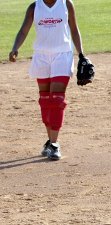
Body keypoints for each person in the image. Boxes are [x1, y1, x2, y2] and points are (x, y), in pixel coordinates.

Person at [9, 0, 89, 160]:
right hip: (41, 56)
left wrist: (81, 54)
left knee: (57, 99)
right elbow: (23, 30)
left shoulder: (66, 4)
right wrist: (15, 47)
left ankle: (54, 143)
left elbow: (74, 29)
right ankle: (50, 140)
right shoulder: (34, 7)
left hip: (62, 54)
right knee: (45, 100)